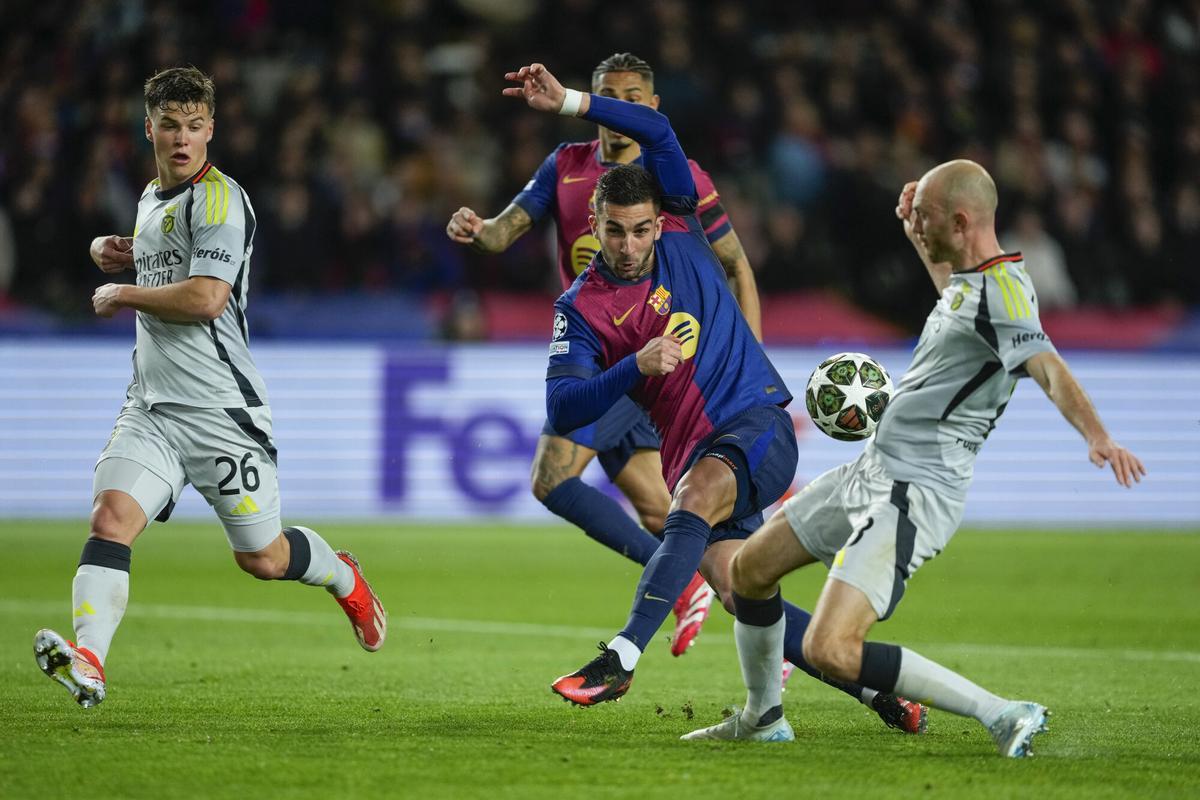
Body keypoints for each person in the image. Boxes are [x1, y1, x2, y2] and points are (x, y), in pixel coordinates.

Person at [503, 62, 926, 734]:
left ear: (659, 220)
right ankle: (875, 691)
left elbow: (661, 132)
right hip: (693, 449)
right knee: (740, 585)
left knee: (686, 503)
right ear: (594, 224)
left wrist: (574, 102)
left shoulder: (679, 221)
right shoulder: (580, 307)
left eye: (641, 229)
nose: (632, 243)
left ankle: (621, 653)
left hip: (754, 426)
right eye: (615, 231)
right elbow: (564, 410)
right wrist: (632, 370)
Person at [683, 159, 1147, 754]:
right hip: (872, 470)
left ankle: (1003, 712)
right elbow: (965, 310)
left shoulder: (1005, 297)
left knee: (832, 650)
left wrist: (1097, 435)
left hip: (915, 490)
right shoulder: (974, 284)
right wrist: (918, 243)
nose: (914, 223)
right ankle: (762, 717)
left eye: (924, 217)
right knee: (749, 571)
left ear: (960, 221)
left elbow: (1047, 367)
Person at [34, 67, 387, 709]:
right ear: (149, 129)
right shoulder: (150, 197)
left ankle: (342, 575)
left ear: (211, 130)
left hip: (223, 412)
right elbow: (156, 253)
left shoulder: (221, 201)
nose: (181, 139)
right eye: (169, 125)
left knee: (264, 558)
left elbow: (204, 297)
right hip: (152, 409)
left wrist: (123, 293)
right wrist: (112, 252)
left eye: (194, 127)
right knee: (110, 520)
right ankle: (90, 660)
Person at [446, 53, 762, 657]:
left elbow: (735, 266)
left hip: (654, 356)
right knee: (660, 511)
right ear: (592, 99)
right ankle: (772, 626)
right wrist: (478, 228)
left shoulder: (676, 177)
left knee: (552, 477)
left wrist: (750, 355)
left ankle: (691, 586)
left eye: (633, 97)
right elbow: (505, 231)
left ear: (651, 106)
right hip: (603, 347)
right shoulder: (564, 167)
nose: (621, 111)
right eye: (609, 95)